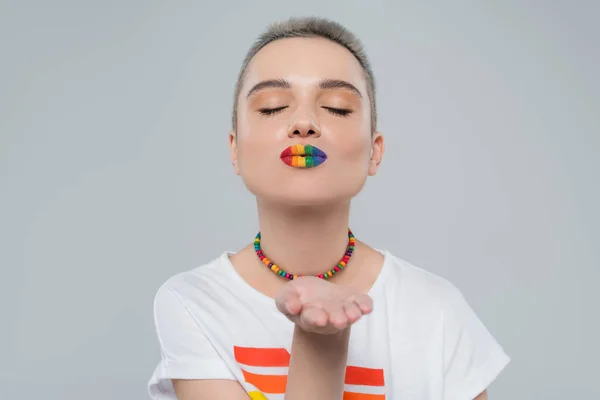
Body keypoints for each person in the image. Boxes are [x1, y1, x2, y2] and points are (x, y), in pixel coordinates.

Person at [147, 16, 510, 400]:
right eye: (272, 107)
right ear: (234, 149)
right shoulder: (195, 303)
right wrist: (320, 340)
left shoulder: (436, 310)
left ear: (375, 150)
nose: (303, 123)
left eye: (337, 108)